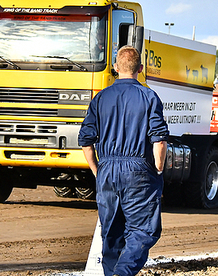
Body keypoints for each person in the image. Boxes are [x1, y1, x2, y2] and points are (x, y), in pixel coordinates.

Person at [78, 45, 169, 276]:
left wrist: (97, 170)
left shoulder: (100, 98)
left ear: (116, 67)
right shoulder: (149, 96)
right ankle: (123, 272)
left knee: (111, 233)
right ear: (140, 68)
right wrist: (158, 170)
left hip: (107, 169)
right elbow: (159, 141)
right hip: (139, 170)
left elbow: (85, 141)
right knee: (143, 231)